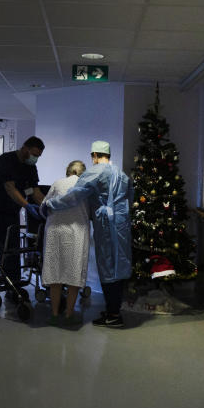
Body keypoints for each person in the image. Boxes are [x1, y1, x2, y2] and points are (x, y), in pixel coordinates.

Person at [43, 140, 132, 328]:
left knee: (108, 270)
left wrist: (51, 204)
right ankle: (112, 309)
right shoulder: (121, 174)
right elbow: (129, 198)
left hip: (106, 226)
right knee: (118, 267)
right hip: (121, 225)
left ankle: (114, 315)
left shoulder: (95, 172)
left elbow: (74, 195)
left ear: (94, 156)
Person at [0, 136, 46, 304]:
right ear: (25, 148)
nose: (35, 158)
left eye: (38, 156)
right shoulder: (6, 160)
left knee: (12, 251)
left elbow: (35, 191)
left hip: (11, 212)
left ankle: (13, 286)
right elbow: (10, 188)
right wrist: (27, 206)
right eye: (34, 154)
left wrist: (46, 206)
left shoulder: (30, 167)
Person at [40, 160, 89, 327]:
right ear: (83, 173)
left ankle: (54, 314)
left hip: (56, 232)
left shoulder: (57, 183)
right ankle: (69, 314)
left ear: (68, 171)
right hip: (77, 232)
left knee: (55, 273)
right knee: (74, 274)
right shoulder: (86, 188)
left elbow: (43, 207)